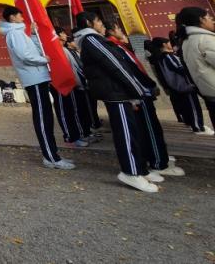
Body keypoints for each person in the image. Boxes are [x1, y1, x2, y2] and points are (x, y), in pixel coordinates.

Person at [74, 11, 176, 192]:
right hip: (116, 93)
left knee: (134, 132)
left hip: (121, 92)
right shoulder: (92, 40)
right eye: (99, 21)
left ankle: (141, 169)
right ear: (89, 23)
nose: (102, 25)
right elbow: (115, 65)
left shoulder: (95, 40)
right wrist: (137, 89)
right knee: (126, 133)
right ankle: (130, 171)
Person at [0, 6, 74, 170]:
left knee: (46, 116)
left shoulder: (20, 33)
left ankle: (52, 154)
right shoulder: (14, 34)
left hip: (38, 77)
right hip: (33, 78)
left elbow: (31, 49)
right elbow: (24, 55)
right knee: (42, 117)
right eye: (20, 15)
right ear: (12, 18)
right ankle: (50, 157)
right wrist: (43, 60)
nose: (22, 18)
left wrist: (33, 34)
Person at [102, 22, 177, 179]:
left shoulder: (120, 46)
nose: (122, 31)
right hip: (138, 93)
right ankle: (158, 162)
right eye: (118, 28)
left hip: (140, 90)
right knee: (150, 129)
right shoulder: (113, 47)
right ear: (111, 31)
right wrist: (137, 93)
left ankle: (156, 157)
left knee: (148, 128)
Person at [145, 37, 212, 135]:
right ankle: (198, 127)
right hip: (185, 86)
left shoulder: (160, 58)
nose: (170, 43)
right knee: (193, 107)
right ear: (164, 44)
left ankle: (194, 124)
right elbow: (179, 68)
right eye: (168, 42)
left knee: (188, 107)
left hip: (178, 87)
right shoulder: (167, 57)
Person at [176, 6, 215, 132]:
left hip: (209, 92)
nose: (212, 20)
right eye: (209, 17)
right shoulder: (205, 39)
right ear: (201, 20)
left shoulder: (187, 41)